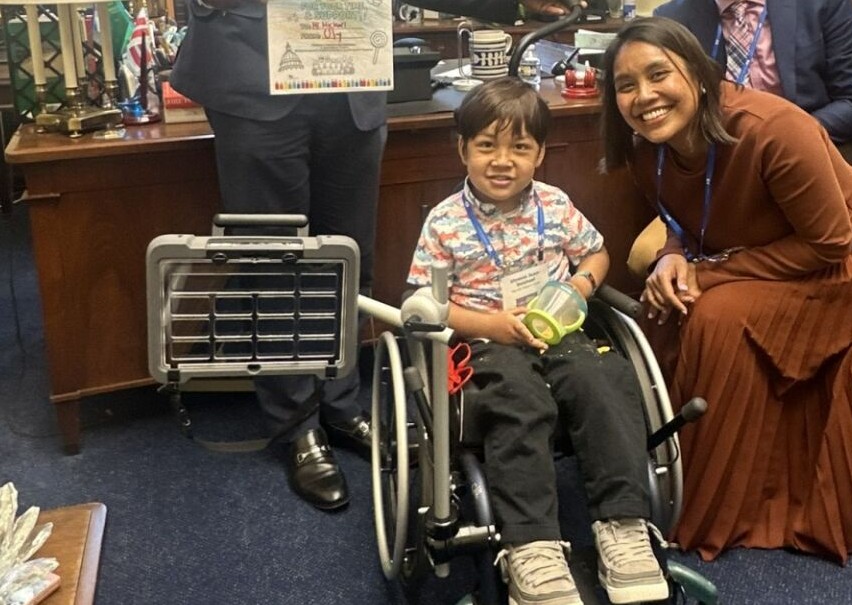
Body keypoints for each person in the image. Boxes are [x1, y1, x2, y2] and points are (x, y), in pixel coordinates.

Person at [169, 0, 580, 511]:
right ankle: (297, 425)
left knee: (348, 255)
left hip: (351, 71)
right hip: (251, 70)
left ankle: (340, 403)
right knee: (273, 260)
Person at [598, 18, 852, 563]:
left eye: (657, 75)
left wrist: (710, 272)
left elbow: (829, 244)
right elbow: (677, 214)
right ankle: (658, 473)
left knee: (715, 315)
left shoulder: (773, 129)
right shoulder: (649, 143)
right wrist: (673, 257)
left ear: (697, 74)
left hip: (848, 254)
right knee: (663, 306)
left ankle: (716, 506)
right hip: (751, 245)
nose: (643, 96)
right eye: (626, 86)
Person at [407, 77, 667, 605]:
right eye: (486, 146)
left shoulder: (555, 204)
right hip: (486, 341)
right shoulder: (445, 223)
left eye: (519, 148)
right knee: (519, 400)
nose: (502, 161)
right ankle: (532, 546)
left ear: (540, 154)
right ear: (463, 149)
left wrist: (580, 284)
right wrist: (491, 326)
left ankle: (623, 525)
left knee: (605, 376)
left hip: (559, 330)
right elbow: (423, 304)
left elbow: (596, 253)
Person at [654, 0, 852, 143]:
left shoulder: (820, 4)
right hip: (718, 174)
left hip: (808, 161)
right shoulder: (672, 21)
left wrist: (781, 139)